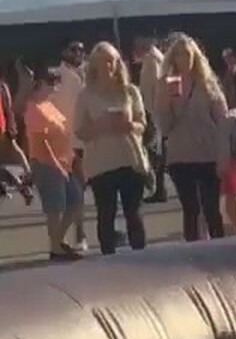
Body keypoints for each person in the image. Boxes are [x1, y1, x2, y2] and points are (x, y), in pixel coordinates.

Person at [74, 42, 149, 256]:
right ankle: (108, 259)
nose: (108, 66)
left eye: (111, 61)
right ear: (94, 66)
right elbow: (80, 131)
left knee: (134, 213)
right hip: (101, 164)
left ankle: (141, 257)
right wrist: (101, 125)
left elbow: (142, 124)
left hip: (130, 159)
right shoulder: (85, 95)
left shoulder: (130, 91)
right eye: (102, 62)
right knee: (106, 214)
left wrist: (129, 125)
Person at [157, 34, 230, 242]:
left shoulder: (207, 83)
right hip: (180, 156)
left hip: (207, 153)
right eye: (178, 54)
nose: (183, 59)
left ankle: (219, 248)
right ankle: (192, 252)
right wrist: (167, 102)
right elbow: (164, 126)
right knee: (191, 209)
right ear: (172, 59)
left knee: (211, 208)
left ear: (195, 57)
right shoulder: (167, 84)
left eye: (187, 54)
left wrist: (224, 155)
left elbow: (222, 121)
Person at [23, 68, 83, 261]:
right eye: (51, 84)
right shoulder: (34, 109)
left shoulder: (48, 105)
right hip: (46, 164)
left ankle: (59, 240)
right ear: (39, 84)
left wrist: (70, 158)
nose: (54, 88)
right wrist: (56, 164)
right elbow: (42, 142)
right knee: (55, 207)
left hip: (64, 162)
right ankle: (56, 247)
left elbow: (62, 131)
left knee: (75, 199)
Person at [50, 40, 89, 251]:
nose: (78, 53)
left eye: (81, 49)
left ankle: (75, 235)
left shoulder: (87, 74)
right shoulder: (57, 75)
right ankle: (71, 236)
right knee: (73, 192)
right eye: (73, 49)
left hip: (86, 140)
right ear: (64, 51)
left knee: (80, 190)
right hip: (67, 143)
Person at [132, 36, 167, 203]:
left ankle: (152, 181)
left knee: (148, 150)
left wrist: (152, 113)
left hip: (152, 113)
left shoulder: (152, 60)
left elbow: (153, 89)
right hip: (153, 112)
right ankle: (158, 186)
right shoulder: (154, 58)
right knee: (154, 151)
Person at [0, 64, 34, 205]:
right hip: (2, 128)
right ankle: (25, 178)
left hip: (3, 128)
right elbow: (8, 108)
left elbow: (8, 108)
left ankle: (22, 182)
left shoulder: (2, 87)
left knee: (13, 152)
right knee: (15, 150)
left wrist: (11, 124)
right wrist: (11, 125)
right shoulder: (3, 87)